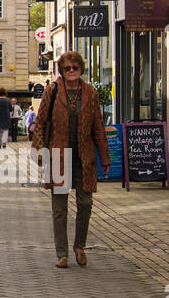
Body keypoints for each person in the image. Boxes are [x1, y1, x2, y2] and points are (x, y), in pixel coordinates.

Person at [32, 51, 110, 269]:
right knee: (60, 209)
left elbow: (98, 126)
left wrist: (104, 155)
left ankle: (79, 246)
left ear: (81, 69)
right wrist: (39, 151)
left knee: (85, 204)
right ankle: (62, 254)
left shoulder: (91, 93)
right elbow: (41, 122)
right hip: (58, 156)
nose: (71, 71)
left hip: (83, 157)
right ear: (62, 70)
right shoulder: (52, 91)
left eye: (75, 67)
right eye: (67, 68)